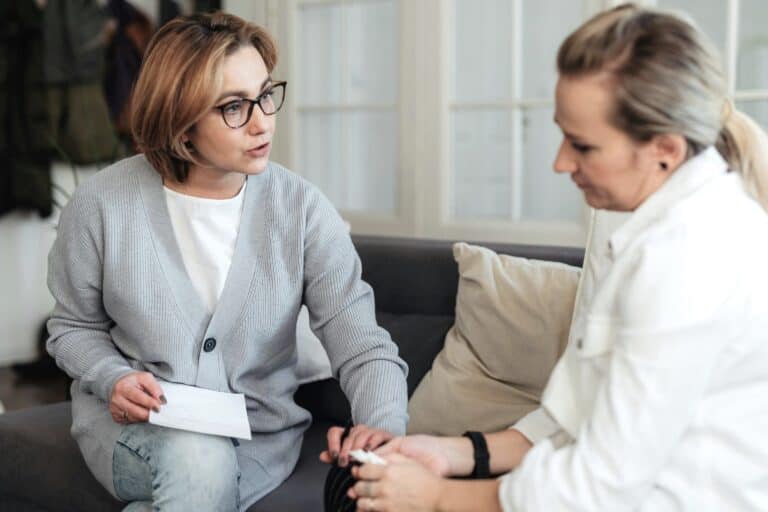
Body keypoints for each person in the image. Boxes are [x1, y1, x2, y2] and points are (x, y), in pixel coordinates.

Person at [348, 4, 768, 511]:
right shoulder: (647, 229)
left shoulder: (689, 260)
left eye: (583, 145)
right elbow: (575, 420)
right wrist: (454, 454)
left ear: (665, 150)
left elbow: (599, 486)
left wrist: (437, 497)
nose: (560, 162)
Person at [46, 11, 408, 511]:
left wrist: (383, 430)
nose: (262, 121)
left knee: (202, 472)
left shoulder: (301, 210)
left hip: (261, 442)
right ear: (180, 122)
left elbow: (363, 346)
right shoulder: (102, 205)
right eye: (234, 107)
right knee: (199, 460)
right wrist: (113, 377)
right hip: (135, 433)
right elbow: (72, 327)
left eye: (264, 95)